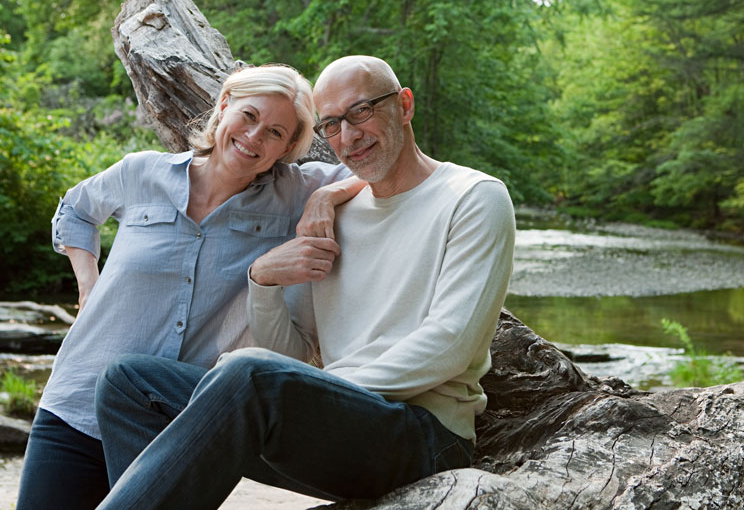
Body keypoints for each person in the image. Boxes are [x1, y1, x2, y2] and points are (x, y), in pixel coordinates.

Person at [93, 55, 516, 508]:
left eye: (361, 111)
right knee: (129, 383)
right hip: (338, 428)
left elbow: (451, 343)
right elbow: (293, 354)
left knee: (247, 374)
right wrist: (263, 283)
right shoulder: (337, 216)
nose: (349, 137)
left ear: (405, 104)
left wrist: (328, 385)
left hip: (425, 437)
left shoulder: (473, 198)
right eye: (331, 124)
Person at [16, 64, 363, 510]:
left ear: (288, 148)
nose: (256, 136)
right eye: (250, 116)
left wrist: (324, 196)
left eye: (276, 132)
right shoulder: (141, 173)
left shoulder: (294, 193)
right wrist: (88, 283)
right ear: (224, 106)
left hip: (179, 425)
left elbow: (379, 172)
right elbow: (75, 211)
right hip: (76, 404)